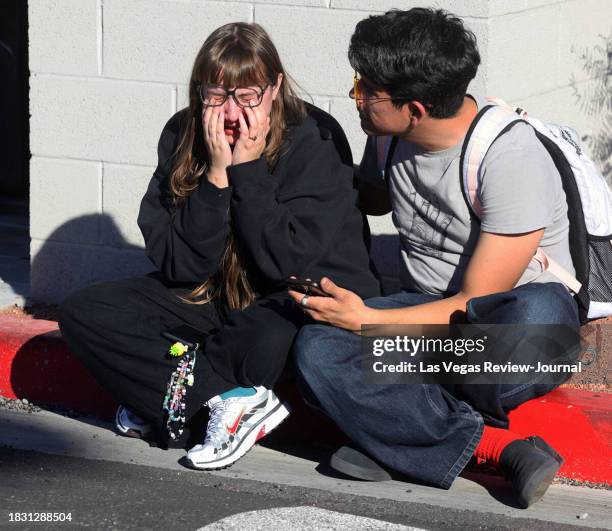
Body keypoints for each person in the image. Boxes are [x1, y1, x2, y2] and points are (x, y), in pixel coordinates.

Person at [290, 8, 580, 508]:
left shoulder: (510, 157)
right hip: (428, 319)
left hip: (499, 324)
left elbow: (475, 301)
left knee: (533, 323)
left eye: (366, 91)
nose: (354, 96)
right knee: (316, 347)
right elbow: (370, 198)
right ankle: (496, 447)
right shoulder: (385, 135)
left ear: (416, 109)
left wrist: (365, 325)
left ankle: (395, 429)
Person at [59, 22, 379, 471]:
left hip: (299, 298)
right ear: (199, 90)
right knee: (87, 310)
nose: (231, 112)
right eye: (216, 95)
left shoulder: (313, 137)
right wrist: (214, 177)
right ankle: (206, 403)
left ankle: (170, 403)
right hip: (213, 297)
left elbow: (283, 263)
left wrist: (248, 170)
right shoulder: (183, 133)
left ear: (275, 88)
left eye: (248, 95)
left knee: (264, 338)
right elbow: (181, 266)